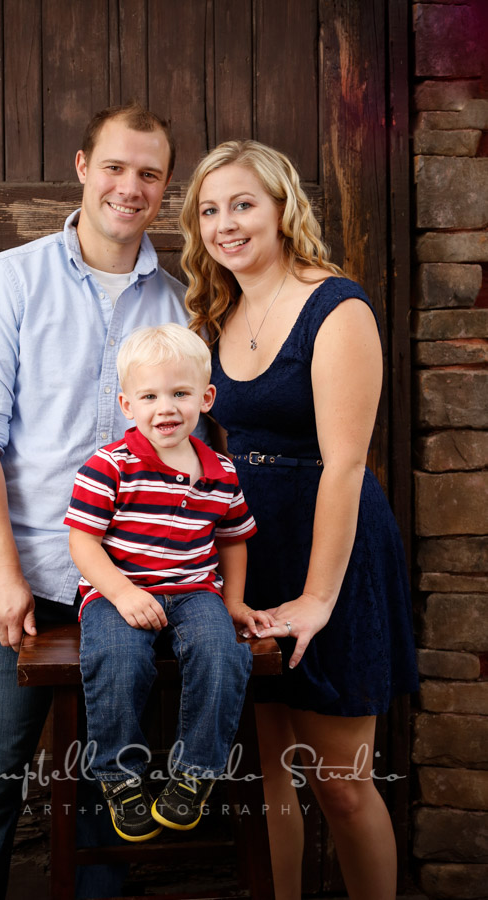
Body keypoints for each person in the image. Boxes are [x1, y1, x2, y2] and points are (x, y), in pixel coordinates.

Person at [0, 102, 200, 900]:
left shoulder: (177, 304)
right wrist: (2, 576)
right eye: (115, 166)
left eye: (148, 173)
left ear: (165, 187)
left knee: (114, 804)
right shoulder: (9, 280)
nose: (129, 186)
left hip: (135, 596)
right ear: (82, 167)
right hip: (29, 582)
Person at [179, 140, 419, 900]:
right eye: (209, 210)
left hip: (330, 549)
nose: (225, 224)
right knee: (265, 782)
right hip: (248, 551)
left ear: (283, 209)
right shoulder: (217, 310)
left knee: (341, 785)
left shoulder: (335, 305)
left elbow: (344, 467)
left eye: (242, 204)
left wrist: (318, 598)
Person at [65, 324, 266, 842]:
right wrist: (123, 593)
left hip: (195, 590)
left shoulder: (220, 471)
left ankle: (196, 774)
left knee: (223, 653)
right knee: (119, 658)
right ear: (127, 404)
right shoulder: (109, 465)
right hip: (118, 591)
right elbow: (83, 543)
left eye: (180, 393)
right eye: (150, 396)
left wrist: (235, 602)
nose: (166, 408)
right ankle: (118, 778)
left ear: (207, 397)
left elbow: (232, 539)